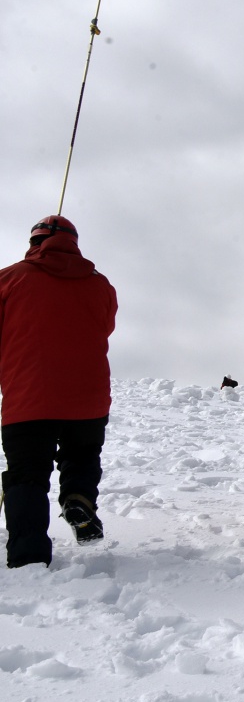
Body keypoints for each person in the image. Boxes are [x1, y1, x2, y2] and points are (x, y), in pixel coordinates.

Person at [0, 216, 117, 568]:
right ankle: (78, 497)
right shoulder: (101, 285)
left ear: (33, 242)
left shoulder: (9, 278)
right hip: (88, 396)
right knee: (81, 456)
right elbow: (106, 324)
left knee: (27, 474)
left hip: (28, 395)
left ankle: (29, 556)